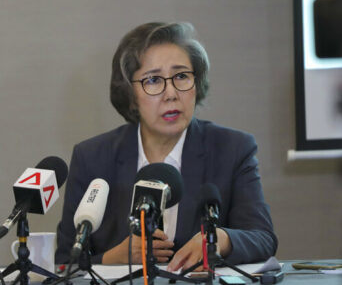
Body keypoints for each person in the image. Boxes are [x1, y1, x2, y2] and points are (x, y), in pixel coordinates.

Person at [55, 22, 277, 272]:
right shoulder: (93, 158)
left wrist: (221, 239)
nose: (171, 93)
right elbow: (64, 262)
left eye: (181, 76)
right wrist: (112, 258)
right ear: (130, 94)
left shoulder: (232, 149)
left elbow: (263, 239)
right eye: (153, 80)